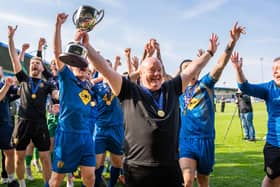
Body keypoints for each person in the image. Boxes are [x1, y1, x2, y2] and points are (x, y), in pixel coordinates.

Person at [77, 25, 218, 186]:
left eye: (159, 70)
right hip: (137, 168)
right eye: (152, 70)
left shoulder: (171, 88)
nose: (157, 74)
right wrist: (87, 47)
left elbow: (192, 69)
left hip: (170, 167)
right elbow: (106, 69)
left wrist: (210, 53)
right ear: (141, 73)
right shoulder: (129, 90)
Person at [178, 22, 245, 187]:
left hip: (206, 140)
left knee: (203, 182)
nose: (190, 71)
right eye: (186, 68)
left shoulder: (205, 84)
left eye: (192, 67)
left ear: (197, 69)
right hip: (185, 140)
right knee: (187, 181)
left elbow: (220, 65)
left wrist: (232, 42)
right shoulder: (176, 89)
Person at [48, 13, 96, 187]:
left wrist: (85, 42)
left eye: (85, 65)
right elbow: (56, 52)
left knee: (90, 177)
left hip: (86, 138)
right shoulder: (67, 78)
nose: (83, 67)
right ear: (71, 66)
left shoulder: (90, 87)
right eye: (79, 64)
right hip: (67, 136)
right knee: (56, 180)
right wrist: (58, 25)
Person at [8, 25, 56, 187]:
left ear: (43, 68)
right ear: (29, 67)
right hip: (22, 123)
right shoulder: (23, 79)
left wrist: (58, 100)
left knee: (45, 158)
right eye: (32, 63)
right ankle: (21, 184)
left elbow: (56, 95)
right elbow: (15, 60)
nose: (35, 64)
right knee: (19, 157)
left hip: (41, 124)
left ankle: (47, 185)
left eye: (38, 63)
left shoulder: (47, 84)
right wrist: (10, 39)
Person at [231, 52, 280, 187]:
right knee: (272, 179)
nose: (276, 72)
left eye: (279, 68)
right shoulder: (268, 88)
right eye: (274, 69)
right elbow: (245, 87)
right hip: (275, 144)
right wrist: (238, 70)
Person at [91, 59, 124, 187]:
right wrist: (98, 78)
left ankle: (111, 185)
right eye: (103, 67)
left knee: (117, 162)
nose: (105, 70)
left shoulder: (118, 84)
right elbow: (85, 84)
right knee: (96, 163)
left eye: (108, 68)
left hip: (116, 128)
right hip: (100, 128)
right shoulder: (95, 86)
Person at [0, 68, 19, 187]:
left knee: (9, 152)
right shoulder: (5, 85)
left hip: (5, 124)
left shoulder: (4, 84)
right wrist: (7, 85)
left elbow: (19, 92)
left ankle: (11, 179)